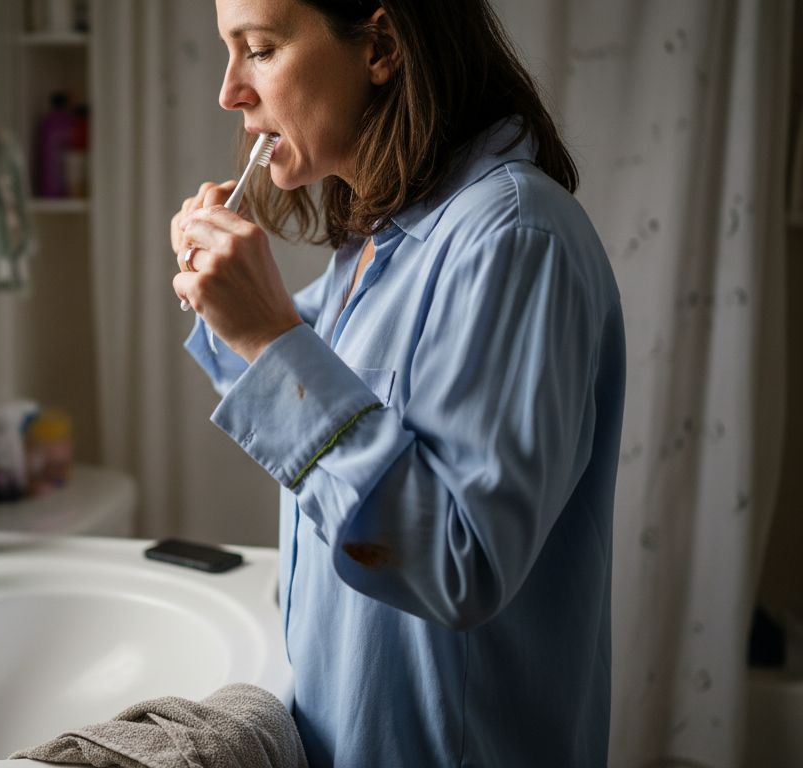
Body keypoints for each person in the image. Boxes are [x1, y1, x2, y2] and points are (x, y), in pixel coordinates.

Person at [171, 1, 625, 766]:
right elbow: (317, 401)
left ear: (379, 45)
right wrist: (237, 314)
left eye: (259, 49)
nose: (230, 92)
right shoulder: (380, 241)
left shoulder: (515, 237)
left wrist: (268, 335)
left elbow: (461, 562)